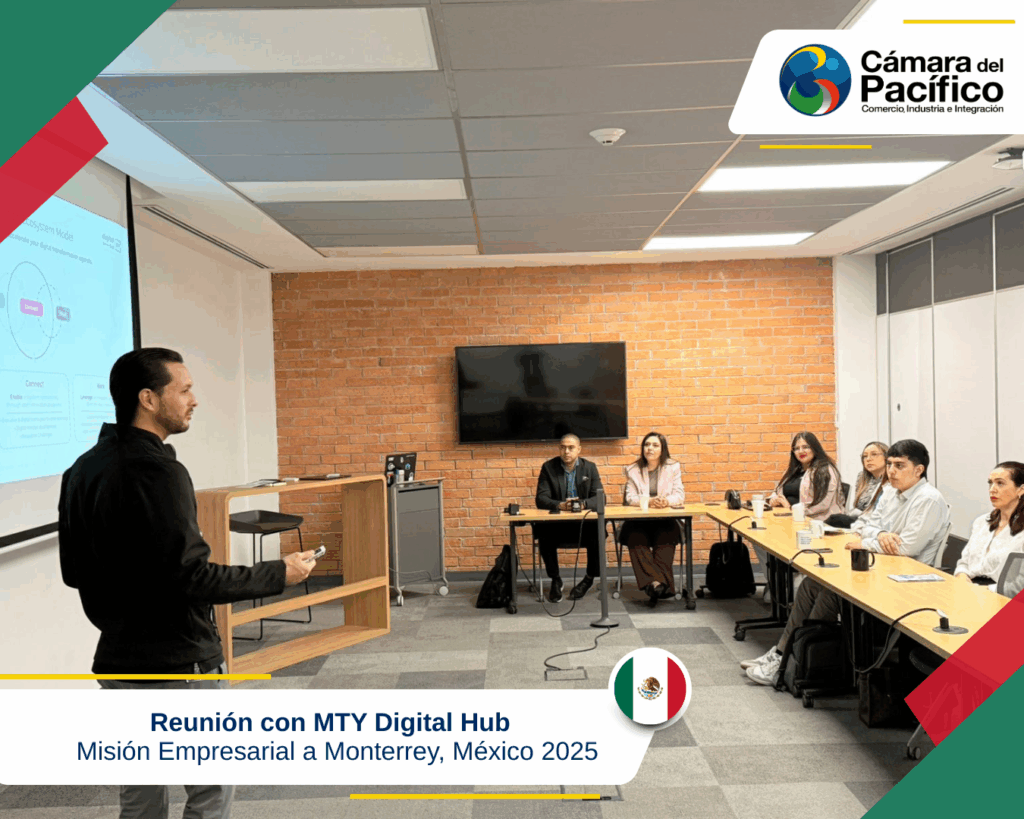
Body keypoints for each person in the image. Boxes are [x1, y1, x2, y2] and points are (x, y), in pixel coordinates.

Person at [59, 347, 317, 819]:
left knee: (139, 796)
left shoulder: (81, 470)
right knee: (211, 792)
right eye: (184, 390)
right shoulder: (161, 473)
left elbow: (73, 572)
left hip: (118, 662)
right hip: (180, 665)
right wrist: (281, 572)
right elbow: (193, 578)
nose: (194, 400)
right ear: (148, 399)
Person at [744, 439, 949, 687]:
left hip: (905, 582)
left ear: (919, 470)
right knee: (811, 585)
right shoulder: (890, 493)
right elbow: (864, 525)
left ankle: (793, 664)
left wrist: (868, 541)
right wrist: (880, 535)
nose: (892, 471)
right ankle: (782, 652)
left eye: (899, 465)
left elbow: (906, 547)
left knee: (831, 593)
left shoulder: (928, 499)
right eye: (890, 464)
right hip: (880, 566)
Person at [534, 433, 605, 601]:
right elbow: (541, 499)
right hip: (557, 525)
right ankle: (555, 579)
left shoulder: (590, 468)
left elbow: (601, 498)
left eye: (571, 448)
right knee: (543, 530)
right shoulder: (548, 468)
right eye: (563, 447)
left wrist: (582, 504)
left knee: (599, 530)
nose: (566, 451)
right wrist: (560, 505)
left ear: (579, 449)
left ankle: (589, 579)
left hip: (583, 525)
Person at [621, 432, 685, 607]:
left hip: (664, 519)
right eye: (647, 444)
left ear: (663, 449)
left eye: (655, 445)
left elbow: (679, 495)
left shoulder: (673, 467)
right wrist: (649, 501)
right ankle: (661, 584)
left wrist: (666, 501)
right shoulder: (633, 469)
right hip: (638, 520)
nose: (650, 448)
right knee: (634, 537)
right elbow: (630, 498)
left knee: (667, 536)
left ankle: (654, 584)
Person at [954, 461, 1024, 596]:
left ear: (1020, 490)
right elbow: (964, 562)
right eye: (990, 483)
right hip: (970, 590)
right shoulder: (982, 522)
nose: (992, 489)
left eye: (1000, 483)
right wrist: (961, 575)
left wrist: (985, 590)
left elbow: (1019, 585)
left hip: (1003, 597)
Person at [767, 431, 845, 519]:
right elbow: (778, 491)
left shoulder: (825, 470)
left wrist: (791, 508)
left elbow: (823, 504)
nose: (801, 451)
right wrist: (773, 499)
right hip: (789, 516)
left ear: (814, 448)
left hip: (816, 520)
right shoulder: (793, 470)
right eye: (797, 448)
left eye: (805, 447)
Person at [845, 441, 889, 518]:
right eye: (865, 456)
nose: (868, 459)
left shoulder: (893, 478)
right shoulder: (862, 477)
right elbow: (857, 506)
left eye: (874, 454)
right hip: (860, 520)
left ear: (886, 457)